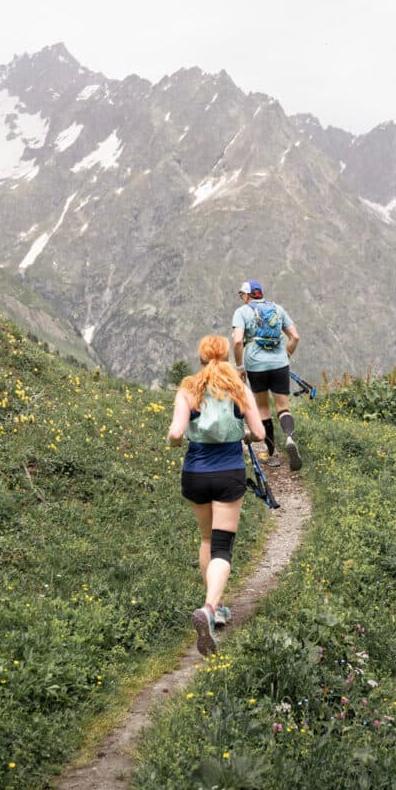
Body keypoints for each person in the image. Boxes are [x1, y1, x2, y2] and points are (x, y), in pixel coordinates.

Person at [167, 334, 266, 656]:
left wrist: (173, 443)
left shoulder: (188, 389)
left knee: (207, 540)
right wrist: (246, 434)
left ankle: (218, 605)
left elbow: (176, 433)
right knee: (223, 546)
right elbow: (260, 433)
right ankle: (210, 609)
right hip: (228, 472)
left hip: (195, 473)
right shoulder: (238, 389)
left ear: (200, 358)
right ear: (224, 356)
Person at [231, 280, 303, 470]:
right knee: (283, 408)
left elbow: (238, 341)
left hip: (256, 365)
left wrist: (239, 367)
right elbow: (295, 337)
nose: (241, 298)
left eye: (241, 295)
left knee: (263, 408)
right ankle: (288, 437)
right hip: (280, 364)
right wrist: (285, 355)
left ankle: (270, 454)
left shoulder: (242, 312)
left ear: (247, 295)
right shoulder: (278, 309)